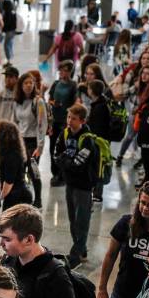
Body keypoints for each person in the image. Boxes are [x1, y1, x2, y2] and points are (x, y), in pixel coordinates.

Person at [54, 103, 98, 268]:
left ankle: (75, 254)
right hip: (70, 183)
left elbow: (80, 163)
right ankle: (81, 250)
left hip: (84, 185)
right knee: (73, 220)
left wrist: (66, 161)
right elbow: (56, 155)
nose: (69, 120)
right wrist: (66, 162)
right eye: (68, 117)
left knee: (82, 220)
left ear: (82, 120)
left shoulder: (87, 139)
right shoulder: (64, 133)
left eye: (73, 118)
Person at [14, 72, 47, 209]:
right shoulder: (18, 102)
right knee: (20, 171)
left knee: (33, 171)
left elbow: (42, 124)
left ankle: (38, 199)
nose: (28, 86)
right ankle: (23, 197)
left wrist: (40, 146)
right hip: (21, 141)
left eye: (31, 83)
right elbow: (15, 121)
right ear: (21, 86)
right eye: (25, 83)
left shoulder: (38, 102)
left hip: (33, 141)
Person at [48, 61, 77, 186]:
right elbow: (49, 99)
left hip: (65, 122)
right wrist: (54, 103)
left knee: (63, 149)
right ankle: (55, 172)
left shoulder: (73, 86)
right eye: (61, 70)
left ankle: (62, 174)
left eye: (65, 70)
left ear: (70, 72)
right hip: (54, 120)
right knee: (52, 148)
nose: (62, 73)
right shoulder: (55, 84)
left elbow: (75, 104)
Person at [0, 120, 32, 210]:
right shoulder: (13, 151)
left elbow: (9, 182)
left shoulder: (11, 155)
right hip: (17, 194)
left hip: (17, 197)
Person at [86, 79, 110, 203]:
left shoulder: (99, 107)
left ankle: (97, 193)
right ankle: (95, 190)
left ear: (92, 91)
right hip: (99, 140)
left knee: (99, 167)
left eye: (89, 88)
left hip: (99, 142)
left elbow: (98, 127)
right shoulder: (98, 104)